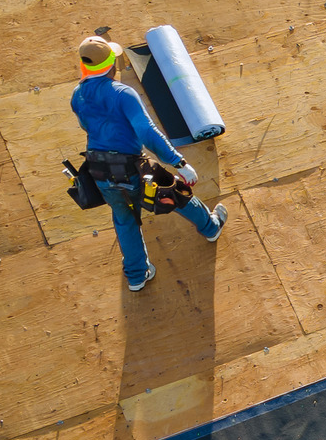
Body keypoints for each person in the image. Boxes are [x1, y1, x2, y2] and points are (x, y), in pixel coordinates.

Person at [70, 35, 228, 291]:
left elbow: (86, 126)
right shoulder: (123, 94)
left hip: (99, 170)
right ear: (112, 64)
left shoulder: (77, 96)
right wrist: (179, 163)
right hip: (131, 167)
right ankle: (210, 227)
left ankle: (137, 275)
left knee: (123, 218)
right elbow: (147, 131)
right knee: (175, 194)